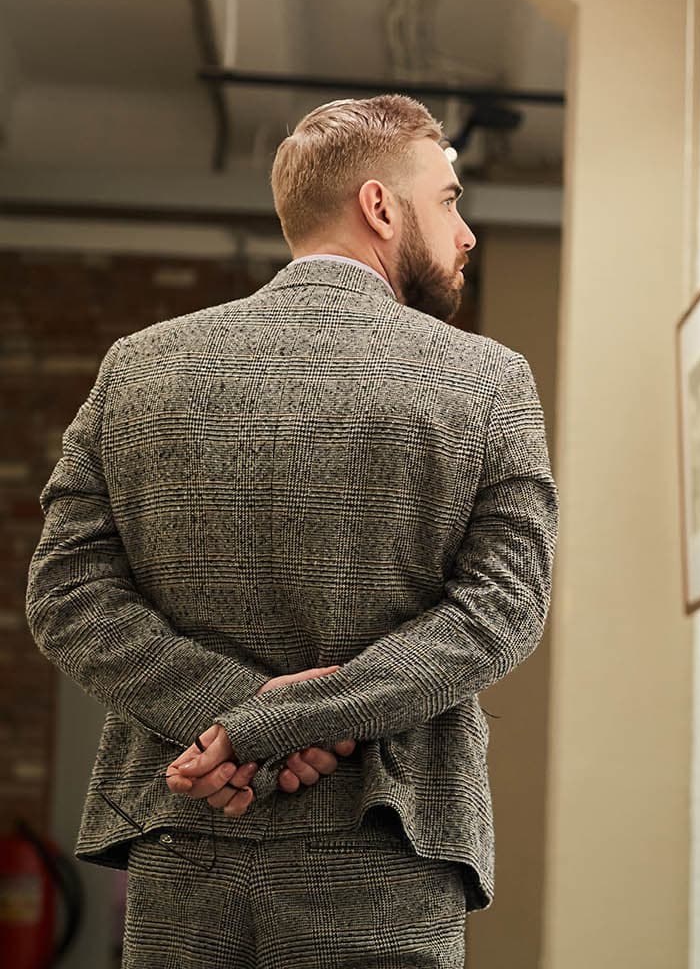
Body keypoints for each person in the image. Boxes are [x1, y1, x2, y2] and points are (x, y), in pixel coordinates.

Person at [25, 94, 557, 967]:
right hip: (390, 846)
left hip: (187, 834)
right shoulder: (489, 381)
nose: (466, 235)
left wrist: (229, 724)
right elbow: (503, 611)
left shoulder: (138, 369)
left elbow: (65, 594)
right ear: (380, 207)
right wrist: (274, 724)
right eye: (451, 201)